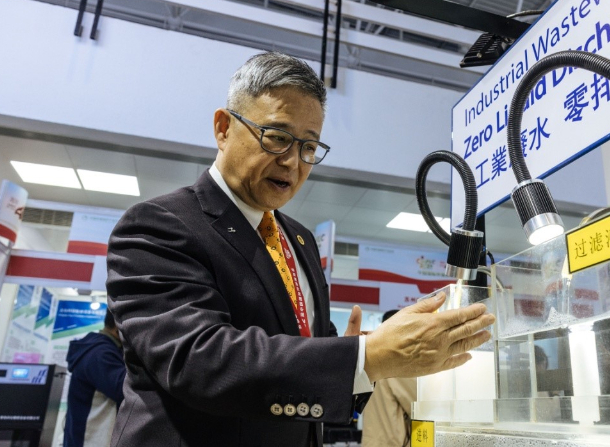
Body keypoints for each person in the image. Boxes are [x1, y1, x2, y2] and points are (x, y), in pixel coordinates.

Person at [105, 51, 495, 447]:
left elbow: (306, 362)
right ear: (223, 128)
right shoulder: (159, 225)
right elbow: (201, 361)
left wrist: (362, 363)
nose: (293, 162)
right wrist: (366, 356)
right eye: (277, 138)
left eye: (309, 148)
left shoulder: (299, 240)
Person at [64, 309, 126, 447]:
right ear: (118, 326)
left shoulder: (101, 348)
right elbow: (123, 389)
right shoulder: (100, 353)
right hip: (89, 439)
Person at [361, 310, 417, 447]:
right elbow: (417, 404)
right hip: (391, 442)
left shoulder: (370, 355)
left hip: (372, 439)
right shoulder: (396, 360)